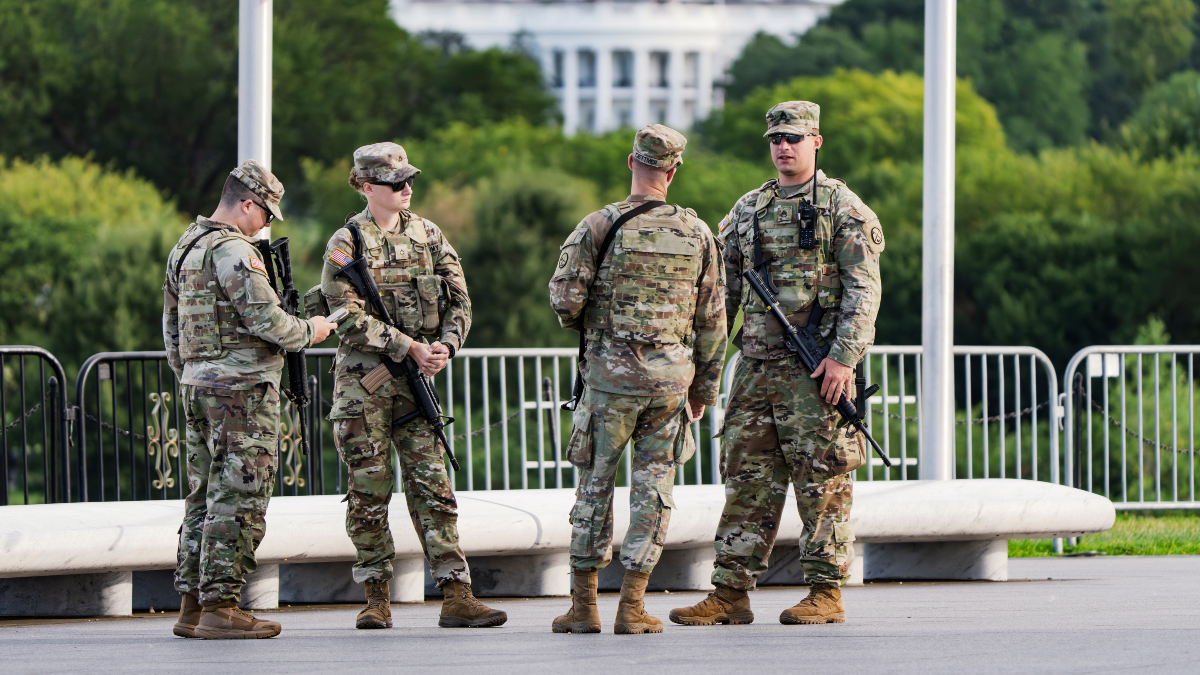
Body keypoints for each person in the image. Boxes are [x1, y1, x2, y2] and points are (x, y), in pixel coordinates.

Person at [669, 101, 885, 626]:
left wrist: (842, 359)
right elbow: (723, 297)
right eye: (775, 139)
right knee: (747, 481)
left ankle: (825, 591)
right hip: (757, 369)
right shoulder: (748, 210)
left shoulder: (844, 208)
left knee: (823, 482)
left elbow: (864, 291)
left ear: (816, 141)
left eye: (793, 138)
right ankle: (730, 593)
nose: (783, 147)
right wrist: (704, 373)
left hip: (816, 374)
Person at [548, 124, 727, 635]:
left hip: (608, 381)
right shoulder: (697, 234)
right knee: (654, 490)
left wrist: (594, 324)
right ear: (673, 171)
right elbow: (713, 320)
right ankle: (632, 608)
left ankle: (584, 608)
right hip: (670, 385)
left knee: (594, 486)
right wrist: (703, 390)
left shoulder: (599, 225)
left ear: (632, 163)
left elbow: (565, 301)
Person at [319, 142, 506, 630]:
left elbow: (460, 299)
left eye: (408, 180)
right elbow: (344, 316)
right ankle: (376, 596)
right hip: (365, 385)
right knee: (369, 489)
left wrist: (445, 344)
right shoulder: (348, 243)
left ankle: (456, 593)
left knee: (433, 486)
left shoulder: (429, 235)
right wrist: (408, 346)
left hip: (416, 379)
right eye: (394, 182)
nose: (406, 189)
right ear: (365, 187)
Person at [163, 160, 338, 639]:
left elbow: (172, 329)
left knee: (202, 496)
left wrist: (193, 377)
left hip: (199, 388)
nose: (266, 224)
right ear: (246, 204)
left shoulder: (186, 245)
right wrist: (313, 330)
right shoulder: (235, 251)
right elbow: (268, 321)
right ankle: (222, 607)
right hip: (243, 392)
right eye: (265, 213)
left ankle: (191, 606)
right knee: (239, 498)